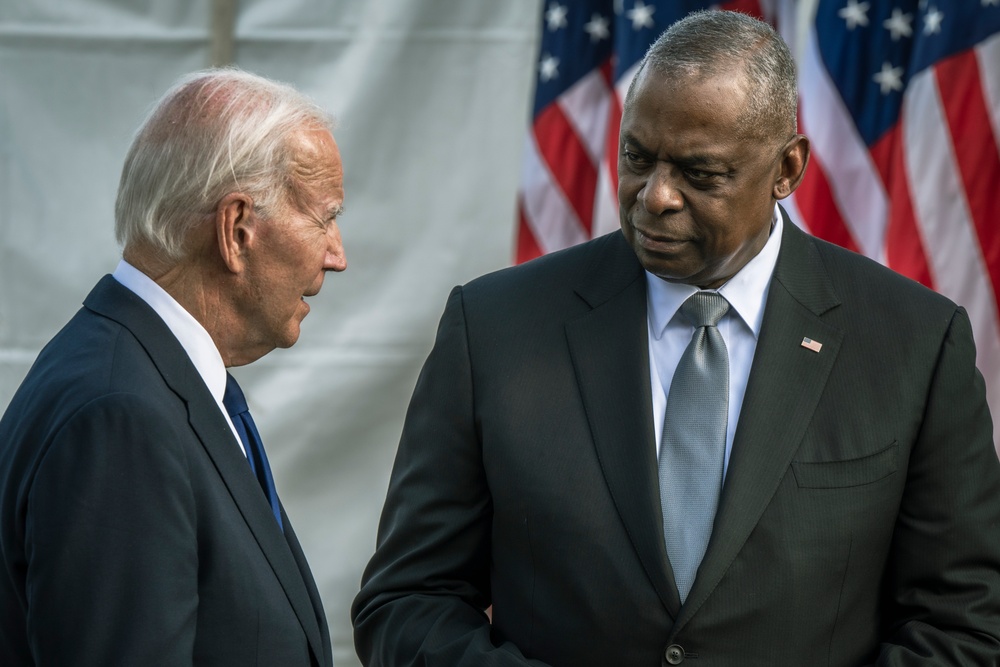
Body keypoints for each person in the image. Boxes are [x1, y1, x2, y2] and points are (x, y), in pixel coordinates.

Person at [352, 10, 1000, 666]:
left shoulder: (912, 343)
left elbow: (962, 624)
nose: (655, 196)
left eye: (700, 172)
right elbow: (408, 601)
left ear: (788, 169)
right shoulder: (495, 328)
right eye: (636, 157)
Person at [0, 68, 346, 666]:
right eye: (326, 217)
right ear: (237, 230)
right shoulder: (121, 417)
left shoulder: (145, 378)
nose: (337, 255)